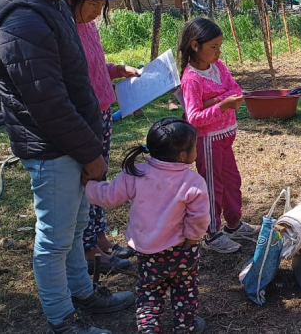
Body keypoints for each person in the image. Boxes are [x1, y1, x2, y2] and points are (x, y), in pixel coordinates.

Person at [0, 0, 134, 334]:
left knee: (74, 227)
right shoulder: (22, 19)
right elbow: (47, 102)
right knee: (54, 238)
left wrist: (87, 147)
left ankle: (83, 293)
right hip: (54, 149)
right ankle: (62, 318)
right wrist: (89, 152)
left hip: (72, 143)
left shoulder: (47, 2)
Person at [85, 118, 209, 334]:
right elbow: (198, 219)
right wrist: (191, 240)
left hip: (148, 253)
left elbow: (108, 196)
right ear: (182, 155)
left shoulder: (135, 173)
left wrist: (89, 185)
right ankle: (185, 327)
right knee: (185, 289)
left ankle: (149, 328)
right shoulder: (193, 181)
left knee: (150, 290)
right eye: (194, 146)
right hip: (182, 251)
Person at [65, 0, 140, 273]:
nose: (97, 9)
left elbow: (97, 67)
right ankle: (88, 248)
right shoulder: (66, 31)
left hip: (103, 112)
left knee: (100, 174)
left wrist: (119, 70)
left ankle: (101, 237)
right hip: (84, 117)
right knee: (88, 178)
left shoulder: (90, 28)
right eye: (92, 3)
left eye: (101, 4)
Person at [177, 18, 259, 254]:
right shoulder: (191, 79)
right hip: (208, 141)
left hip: (225, 138)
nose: (218, 52)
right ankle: (212, 233)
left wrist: (213, 101)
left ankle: (234, 224)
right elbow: (193, 118)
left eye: (219, 47)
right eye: (213, 47)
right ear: (195, 46)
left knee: (232, 182)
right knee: (213, 187)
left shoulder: (219, 66)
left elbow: (235, 89)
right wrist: (222, 105)